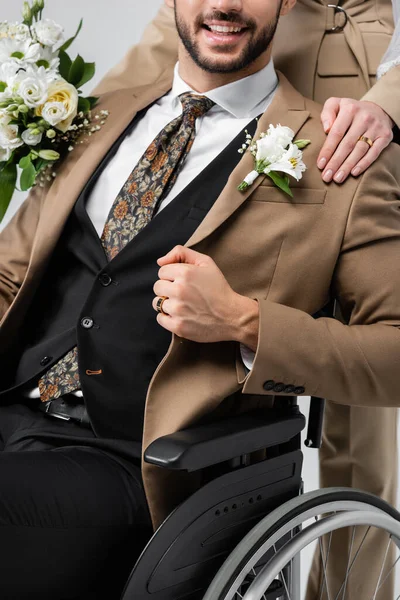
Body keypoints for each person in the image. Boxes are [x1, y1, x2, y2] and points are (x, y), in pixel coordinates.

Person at [0, 1, 400, 599]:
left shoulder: (341, 159)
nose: (225, 3)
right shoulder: (101, 115)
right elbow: (10, 276)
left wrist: (243, 321)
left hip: (140, 465)